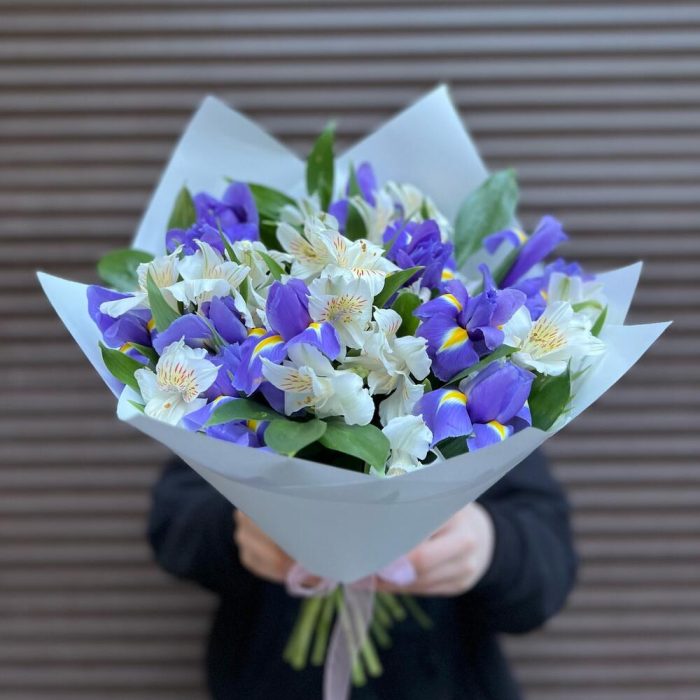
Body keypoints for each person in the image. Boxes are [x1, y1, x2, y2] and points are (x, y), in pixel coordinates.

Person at [148, 451, 577, 699]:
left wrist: (491, 546)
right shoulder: (256, 361)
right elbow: (174, 521)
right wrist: (237, 525)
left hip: (450, 683)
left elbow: (550, 567)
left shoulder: (473, 374)